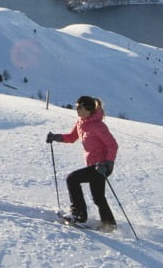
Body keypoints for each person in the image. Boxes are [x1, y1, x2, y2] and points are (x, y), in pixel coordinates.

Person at [46, 96, 119, 229]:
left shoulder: (98, 125)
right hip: (92, 165)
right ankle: (109, 224)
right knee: (98, 197)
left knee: (72, 178)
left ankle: (78, 214)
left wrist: (108, 163)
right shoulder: (81, 122)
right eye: (76, 106)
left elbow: (112, 145)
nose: (76, 109)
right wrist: (55, 137)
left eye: (79, 107)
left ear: (88, 109)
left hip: (101, 166)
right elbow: (72, 137)